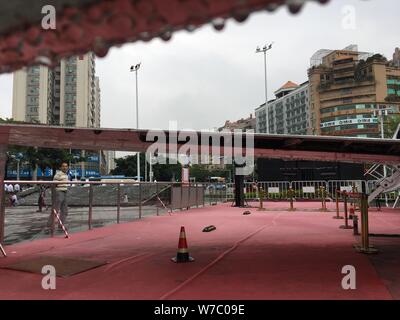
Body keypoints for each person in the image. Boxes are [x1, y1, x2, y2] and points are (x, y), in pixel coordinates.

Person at [49, 162, 70, 228]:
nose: (65, 167)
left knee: (64, 210)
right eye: (63, 166)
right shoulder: (58, 174)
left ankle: (61, 225)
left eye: (66, 166)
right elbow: (54, 184)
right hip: (59, 192)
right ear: (61, 167)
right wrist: (55, 193)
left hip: (65, 192)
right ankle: (50, 225)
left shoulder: (66, 175)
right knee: (56, 209)